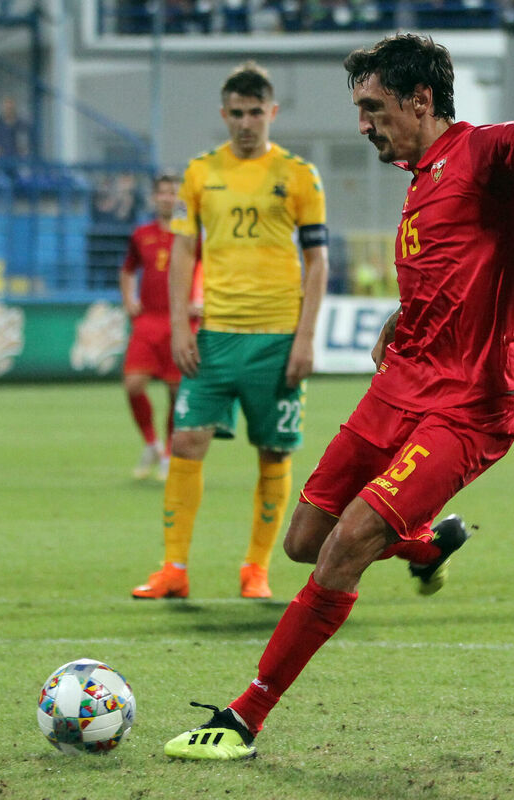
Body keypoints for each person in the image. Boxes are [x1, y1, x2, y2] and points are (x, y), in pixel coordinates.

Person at [160, 33, 514, 760]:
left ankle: (243, 718)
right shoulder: (421, 177)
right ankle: (425, 543)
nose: (363, 123)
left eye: (372, 107)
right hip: (402, 383)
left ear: (420, 100)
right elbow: (449, 266)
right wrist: (402, 315)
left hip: (471, 402)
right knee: (304, 542)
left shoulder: (491, 152)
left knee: (346, 546)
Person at [131, 61, 330, 601]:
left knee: (273, 453)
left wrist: (306, 337)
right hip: (214, 335)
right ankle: (174, 569)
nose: (246, 123)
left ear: (273, 112)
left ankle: (256, 569)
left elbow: (316, 260)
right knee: (187, 440)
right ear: (224, 114)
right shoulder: (200, 173)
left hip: (277, 338)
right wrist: (180, 325)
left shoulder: (299, 175)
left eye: (255, 112)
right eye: (237, 113)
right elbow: (183, 251)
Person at [119, 172, 202, 481]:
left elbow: (207, 267)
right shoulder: (141, 234)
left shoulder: (192, 234)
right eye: (162, 192)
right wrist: (129, 298)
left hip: (181, 321)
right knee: (133, 384)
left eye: (173, 192)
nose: (167, 198)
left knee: (176, 391)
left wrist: (199, 299)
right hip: (149, 320)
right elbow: (127, 270)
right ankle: (151, 443)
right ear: (154, 197)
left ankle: (168, 453)